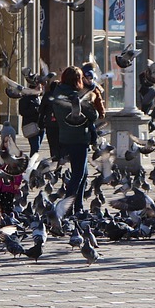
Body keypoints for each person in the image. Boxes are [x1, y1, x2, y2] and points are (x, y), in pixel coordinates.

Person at [52, 66, 98, 211]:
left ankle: (77, 206)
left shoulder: (58, 93)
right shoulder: (75, 97)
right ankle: (67, 207)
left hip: (65, 136)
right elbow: (93, 115)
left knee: (83, 174)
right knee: (78, 175)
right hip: (79, 138)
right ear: (77, 80)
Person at [0, 136, 24, 218]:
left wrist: (17, 182)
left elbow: (19, 171)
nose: (7, 144)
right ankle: (0, 221)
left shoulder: (16, 154)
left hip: (10, 185)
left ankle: (8, 220)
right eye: (5, 142)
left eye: (9, 142)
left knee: (8, 205)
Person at [18, 90, 42, 155]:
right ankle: (32, 162)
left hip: (41, 125)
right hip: (30, 125)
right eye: (38, 88)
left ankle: (32, 161)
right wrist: (35, 110)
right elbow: (22, 112)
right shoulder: (25, 99)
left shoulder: (40, 98)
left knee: (37, 146)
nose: (40, 89)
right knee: (35, 147)